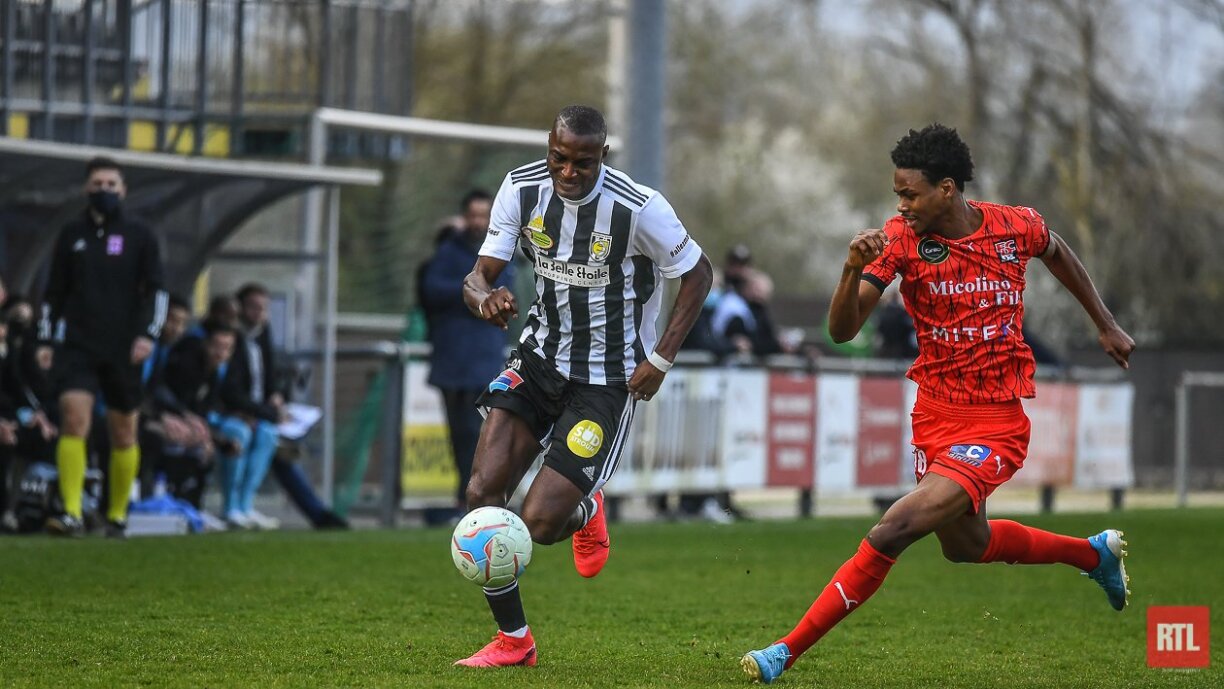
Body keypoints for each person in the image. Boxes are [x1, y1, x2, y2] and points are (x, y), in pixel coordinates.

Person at [740, 124, 1136, 683]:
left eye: (909, 193)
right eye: (897, 194)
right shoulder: (900, 240)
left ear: (946, 189)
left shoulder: (1013, 225)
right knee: (966, 547)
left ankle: (784, 650)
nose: (900, 205)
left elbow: (1057, 249)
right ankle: (1092, 556)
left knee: (892, 530)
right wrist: (852, 267)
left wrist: (1106, 324)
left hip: (997, 422)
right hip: (935, 418)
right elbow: (843, 330)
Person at [454, 104, 713, 667]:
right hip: (539, 358)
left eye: (583, 162)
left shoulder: (639, 207)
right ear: (549, 149)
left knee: (541, 523)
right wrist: (484, 298)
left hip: (608, 379)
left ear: (603, 156)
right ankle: (514, 642)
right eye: (559, 159)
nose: (569, 173)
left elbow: (698, 274)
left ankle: (585, 509)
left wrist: (661, 358)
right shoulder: (520, 190)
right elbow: (478, 277)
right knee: (481, 493)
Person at [39, 156, 167, 538]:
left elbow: (156, 291)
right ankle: (72, 512)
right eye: (97, 184)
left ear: (123, 190)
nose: (104, 191)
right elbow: (53, 292)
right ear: (85, 189)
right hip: (78, 343)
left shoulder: (139, 235)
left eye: (112, 184)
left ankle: (116, 513)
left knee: (124, 431)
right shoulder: (71, 234)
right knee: (73, 419)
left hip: (124, 347)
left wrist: (148, 334)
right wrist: (46, 338)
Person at [419, 189, 515, 524]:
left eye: (484, 215)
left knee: (484, 437)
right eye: (473, 215)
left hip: (484, 363)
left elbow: (503, 290)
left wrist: (469, 296)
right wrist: (472, 293)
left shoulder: (500, 251)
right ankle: (464, 500)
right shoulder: (448, 251)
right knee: (458, 435)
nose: (478, 221)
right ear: (465, 217)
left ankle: (485, 500)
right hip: (450, 361)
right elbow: (431, 290)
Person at [231, 283, 287, 530]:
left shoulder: (263, 333)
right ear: (240, 308)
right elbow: (229, 387)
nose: (259, 313)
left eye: (263, 308)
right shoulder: (231, 337)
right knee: (239, 434)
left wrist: (275, 396)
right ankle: (230, 506)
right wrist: (253, 412)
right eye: (253, 307)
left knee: (267, 434)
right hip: (234, 412)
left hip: (257, 411)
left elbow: (270, 375)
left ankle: (246, 503)